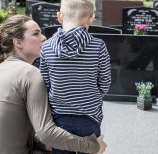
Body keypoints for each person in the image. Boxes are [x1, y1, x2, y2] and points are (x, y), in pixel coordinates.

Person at [0, 15, 106, 154]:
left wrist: (44, 145)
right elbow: (47, 133)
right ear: (18, 42)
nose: (43, 37)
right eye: (36, 33)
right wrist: (93, 146)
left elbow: (14, 129)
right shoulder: (31, 74)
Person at [39, 0, 111, 154]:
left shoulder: (47, 47)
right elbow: (105, 82)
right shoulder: (98, 46)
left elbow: (45, 84)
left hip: (59, 120)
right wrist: (91, 96)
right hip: (89, 117)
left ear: (59, 16)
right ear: (91, 18)